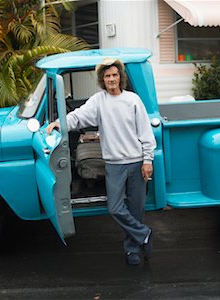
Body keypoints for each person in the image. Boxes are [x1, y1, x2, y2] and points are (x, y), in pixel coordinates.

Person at [46, 58, 156, 265]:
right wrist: (58, 123)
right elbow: (78, 116)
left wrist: (147, 160)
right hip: (114, 164)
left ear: (120, 77)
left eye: (114, 75)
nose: (111, 79)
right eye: (107, 76)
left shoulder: (133, 100)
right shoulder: (99, 101)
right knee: (115, 207)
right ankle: (144, 234)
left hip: (136, 161)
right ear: (102, 80)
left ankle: (132, 249)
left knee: (136, 208)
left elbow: (145, 133)